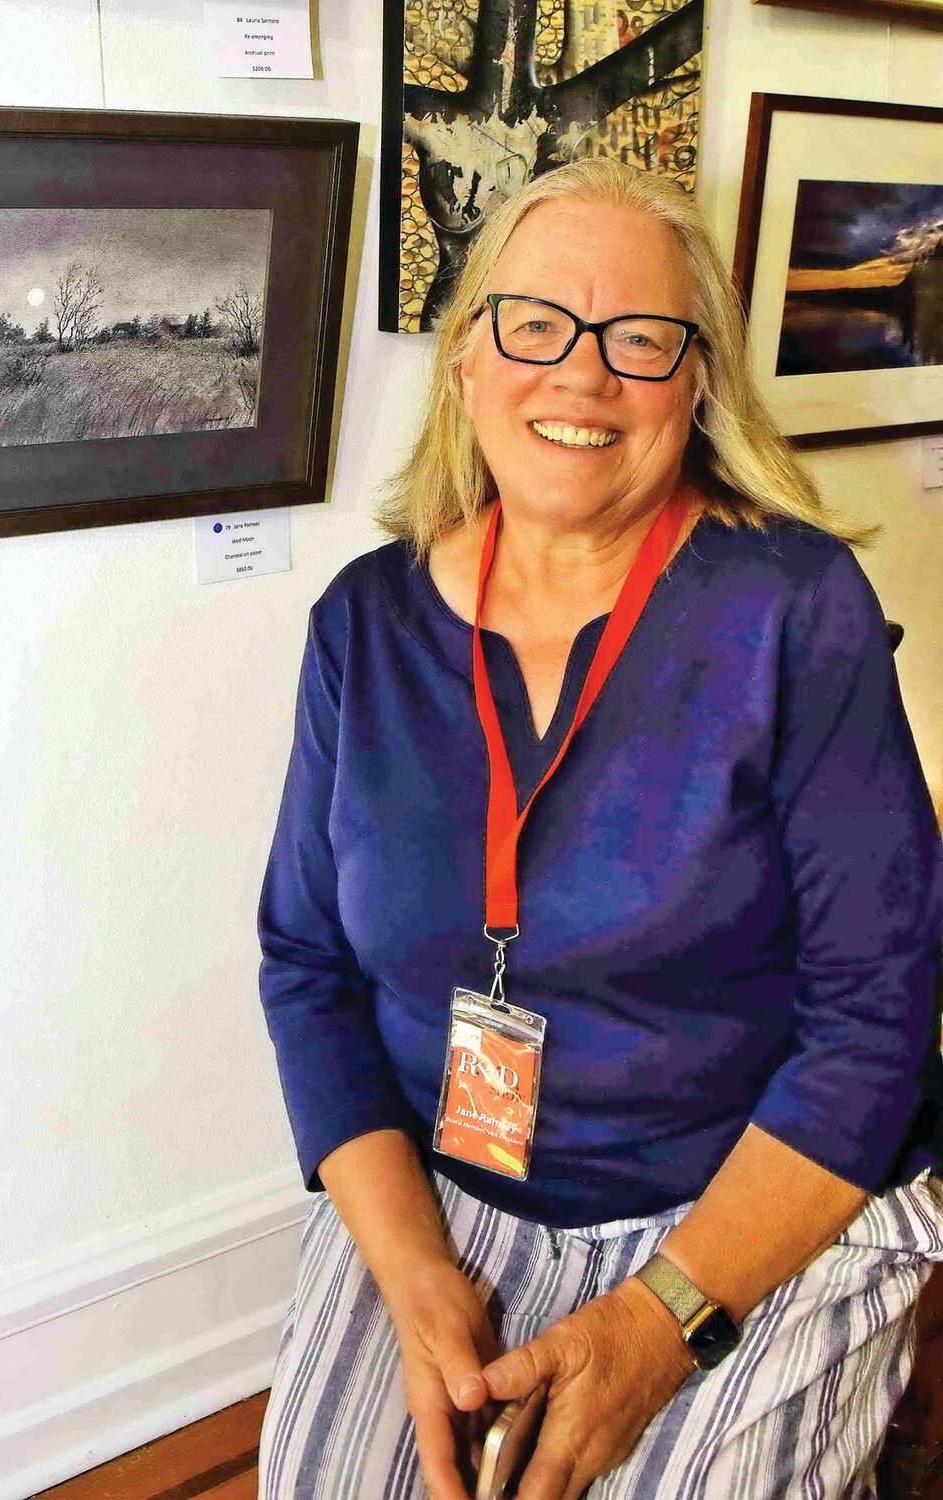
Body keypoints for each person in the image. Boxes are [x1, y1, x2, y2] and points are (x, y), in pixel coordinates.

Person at [254, 156, 943, 1500]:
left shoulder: (793, 610)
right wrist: (408, 1277)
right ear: (465, 361)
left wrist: (659, 1323)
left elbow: (874, 1017)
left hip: (751, 1201)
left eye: (639, 339)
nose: (580, 377)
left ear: (694, 387)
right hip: (449, 1197)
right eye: (534, 325)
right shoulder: (363, 622)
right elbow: (306, 965)